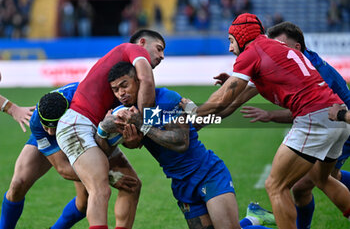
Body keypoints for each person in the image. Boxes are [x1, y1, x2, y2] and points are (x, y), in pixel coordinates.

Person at [181, 13, 350, 228]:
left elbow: (222, 100)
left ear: (242, 38)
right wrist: (201, 119)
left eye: (231, 41)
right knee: (322, 178)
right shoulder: (275, 50)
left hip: (315, 118)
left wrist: (191, 111)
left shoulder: (252, 53)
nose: (230, 49)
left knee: (275, 185)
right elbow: (231, 102)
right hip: (337, 116)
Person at [97, 61, 275, 229]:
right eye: (115, 90)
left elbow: (181, 142)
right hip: (181, 182)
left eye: (124, 85)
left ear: (138, 81)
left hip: (206, 172)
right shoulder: (127, 112)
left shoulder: (166, 98)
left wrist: (143, 125)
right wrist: (104, 130)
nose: (121, 93)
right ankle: (253, 218)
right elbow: (129, 144)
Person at [238, 21, 350, 229]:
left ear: (297, 46)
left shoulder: (309, 68)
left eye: (281, 44)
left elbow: (314, 110)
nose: (276, 49)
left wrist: (269, 115)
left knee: (299, 183)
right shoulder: (297, 63)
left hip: (341, 122)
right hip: (336, 123)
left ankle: (262, 221)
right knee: (313, 182)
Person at [56, 29, 165, 228]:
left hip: (90, 128)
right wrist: (145, 126)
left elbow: (127, 139)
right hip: (78, 124)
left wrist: (136, 135)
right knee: (100, 189)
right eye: (158, 49)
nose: (162, 56)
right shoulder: (132, 48)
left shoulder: (121, 87)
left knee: (132, 185)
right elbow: (147, 80)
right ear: (142, 43)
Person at [0, 82, 141, 229]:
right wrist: (110, 176)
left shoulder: (90, 103)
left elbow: (127, 140)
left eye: (52, 128)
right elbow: (63, 168)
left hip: (85, 129)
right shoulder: (41, 121)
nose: (50, 132)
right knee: (18, 184)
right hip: (56, 131)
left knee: (85, 202)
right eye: (46, 127)